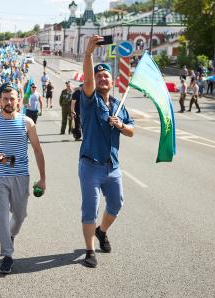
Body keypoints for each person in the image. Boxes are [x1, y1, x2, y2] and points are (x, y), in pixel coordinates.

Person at [79, 36, 135, 268]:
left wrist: (120, 125)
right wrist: (89, 54)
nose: (102, 78)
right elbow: (89, 80)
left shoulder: (118, 105)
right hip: (90, 165)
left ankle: (102, 232)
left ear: (112, 82)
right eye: (99, 75)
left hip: (112, 167)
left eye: (106, 76)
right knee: (90, 208)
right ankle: (89, 250)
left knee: (116, 204)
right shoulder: (89, 100)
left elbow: (131, 130)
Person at [0, 82, 46, 274]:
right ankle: (8, 255)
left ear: (18, 101)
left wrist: (42, 179)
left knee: (19, 216)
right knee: (1, 216)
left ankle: (10, 236)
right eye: (5, 99)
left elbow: (37, 150)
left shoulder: (27, 123)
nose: (9, 102)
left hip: (21, 176)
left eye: (12, 99)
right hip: (0, 176)